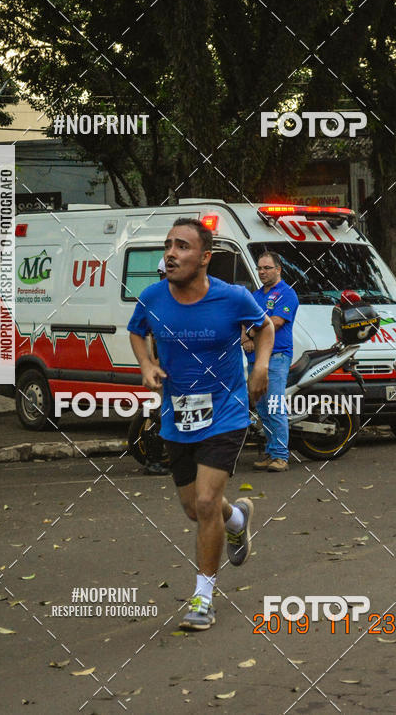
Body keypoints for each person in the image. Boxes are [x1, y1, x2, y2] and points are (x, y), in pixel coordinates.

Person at [127, 218, 274, 630]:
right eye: (168, 245)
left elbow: (264, 327)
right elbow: (136, 332)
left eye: (182, 246)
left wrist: (260, 365)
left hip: (226, 410)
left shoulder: (233, 297)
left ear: (205, 257)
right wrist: (146, 364)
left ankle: (203, 598)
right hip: (178, 414)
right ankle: (237, 520)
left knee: (207, 502)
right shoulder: (153, 297)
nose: (170, 253)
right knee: (195, 509)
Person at [242, 251, 299, 472]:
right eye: (259, 268)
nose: (262, 272)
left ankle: (281, 456)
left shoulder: (287, 293)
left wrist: (251, 334)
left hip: (276, 357)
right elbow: (243, 320)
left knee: (274, 406)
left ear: (278, 269)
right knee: (263, 408)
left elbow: (275, 322)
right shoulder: (255, 296)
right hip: (254, 359)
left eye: (267, 268)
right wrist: (244, 337)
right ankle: (271, 451)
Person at [141, 257, 171, 475]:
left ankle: (163, 457)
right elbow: (150, 336)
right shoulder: (158, 300)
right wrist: (153, 363)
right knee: (158, 412)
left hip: (170, 365)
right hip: (162, 365)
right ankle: (153, 460)